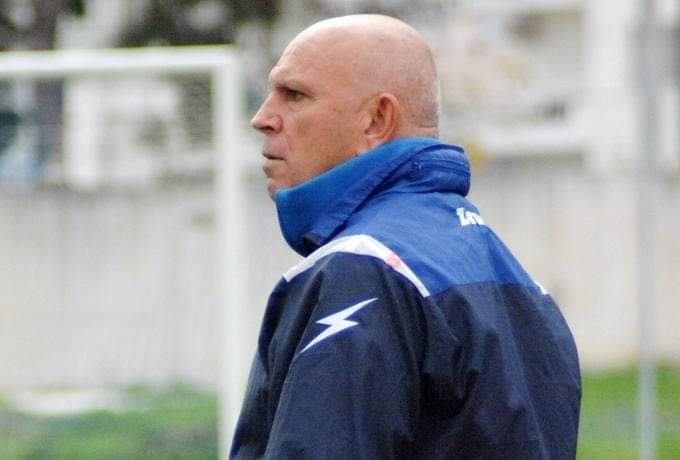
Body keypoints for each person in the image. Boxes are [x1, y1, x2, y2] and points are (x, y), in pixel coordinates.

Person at [230, 14, 581, 459]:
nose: (262, 118)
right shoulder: (516, 278)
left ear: (377, 120)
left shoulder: (362, 269)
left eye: (295, 95)